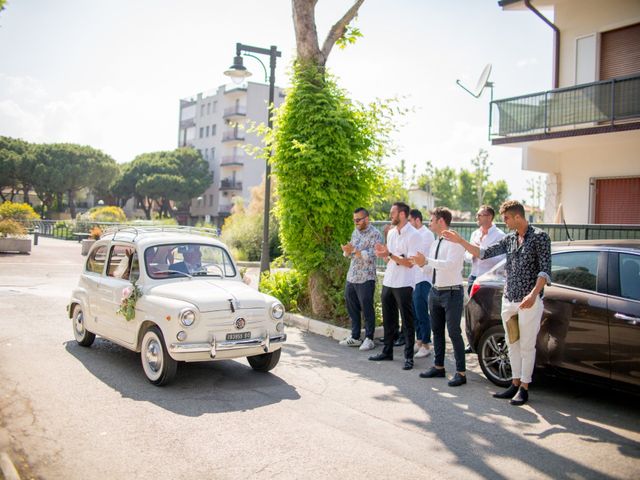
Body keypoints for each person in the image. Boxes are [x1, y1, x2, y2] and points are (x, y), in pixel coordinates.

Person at [443, 200, 551, 405]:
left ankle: (524, 387)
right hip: (509, 299)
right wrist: (460, 241)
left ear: (517, 216)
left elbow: (544, 270)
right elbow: (483, 253)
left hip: (529, 302)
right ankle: (514, 383)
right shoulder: (509, 239)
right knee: (512, 344)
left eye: (507, 218)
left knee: (527, 346)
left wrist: (533, 294)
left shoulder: (540, 237)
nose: (505, 222)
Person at [410, 207, 467, 387]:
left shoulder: (455, 242)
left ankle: (461, 372)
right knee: (437, 331)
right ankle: (439, 367)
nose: (429, 223)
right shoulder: (435, 243)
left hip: (452, 292)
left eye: (432, 220)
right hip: (435, 291)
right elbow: (430, 269)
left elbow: (449, 265)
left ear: (441, 221)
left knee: (454, 332)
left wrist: (427, 261)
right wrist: (420, 264)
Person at [369, 202, 421, 370]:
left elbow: (409, 263)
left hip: (404, 282)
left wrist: (390, 254)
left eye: (393, 213)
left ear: (402, 215)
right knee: (388, 319)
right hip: (389, 280)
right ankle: (387, 351)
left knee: (407, 321)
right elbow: (390, 258)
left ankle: (408, 357)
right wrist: (382, 254)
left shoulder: (414, 235)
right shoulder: (391, 233)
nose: (390, 215)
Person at [339, 207, 383, 351]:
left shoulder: (376, 234)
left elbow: (376, 253)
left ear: (366, 219)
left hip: (366, 277)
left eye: (358, 220)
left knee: (367, 308)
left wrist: (359, 253)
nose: (356, 222)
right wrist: (347, 251)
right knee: (352, 307)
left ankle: (369, 338)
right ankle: (355, 337)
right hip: (352, 276)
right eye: (354, 220)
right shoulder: (355, 232)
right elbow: (352, 253)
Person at [463, 205, 505, 353]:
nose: (477, 218)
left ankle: (486, 343)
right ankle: (471, 342)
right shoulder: (475, 233)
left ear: (489, 217)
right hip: (473, 277)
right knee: (472, 311)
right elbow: (467, 256)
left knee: (486, 312)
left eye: (480, 215)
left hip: (488, 280)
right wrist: (473, 254)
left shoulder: (499, 235)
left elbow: (501, 259)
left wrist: (483, 254)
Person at [408, 209, 435, 359]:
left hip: (423, 278)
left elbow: (416, 255)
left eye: (410, 221)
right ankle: (419, 341)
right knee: (416, 312)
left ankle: (426, 344)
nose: (409, 224)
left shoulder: (426, 235)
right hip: (414, 278)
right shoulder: (416, 235)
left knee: (422, 312)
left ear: (417, 220)